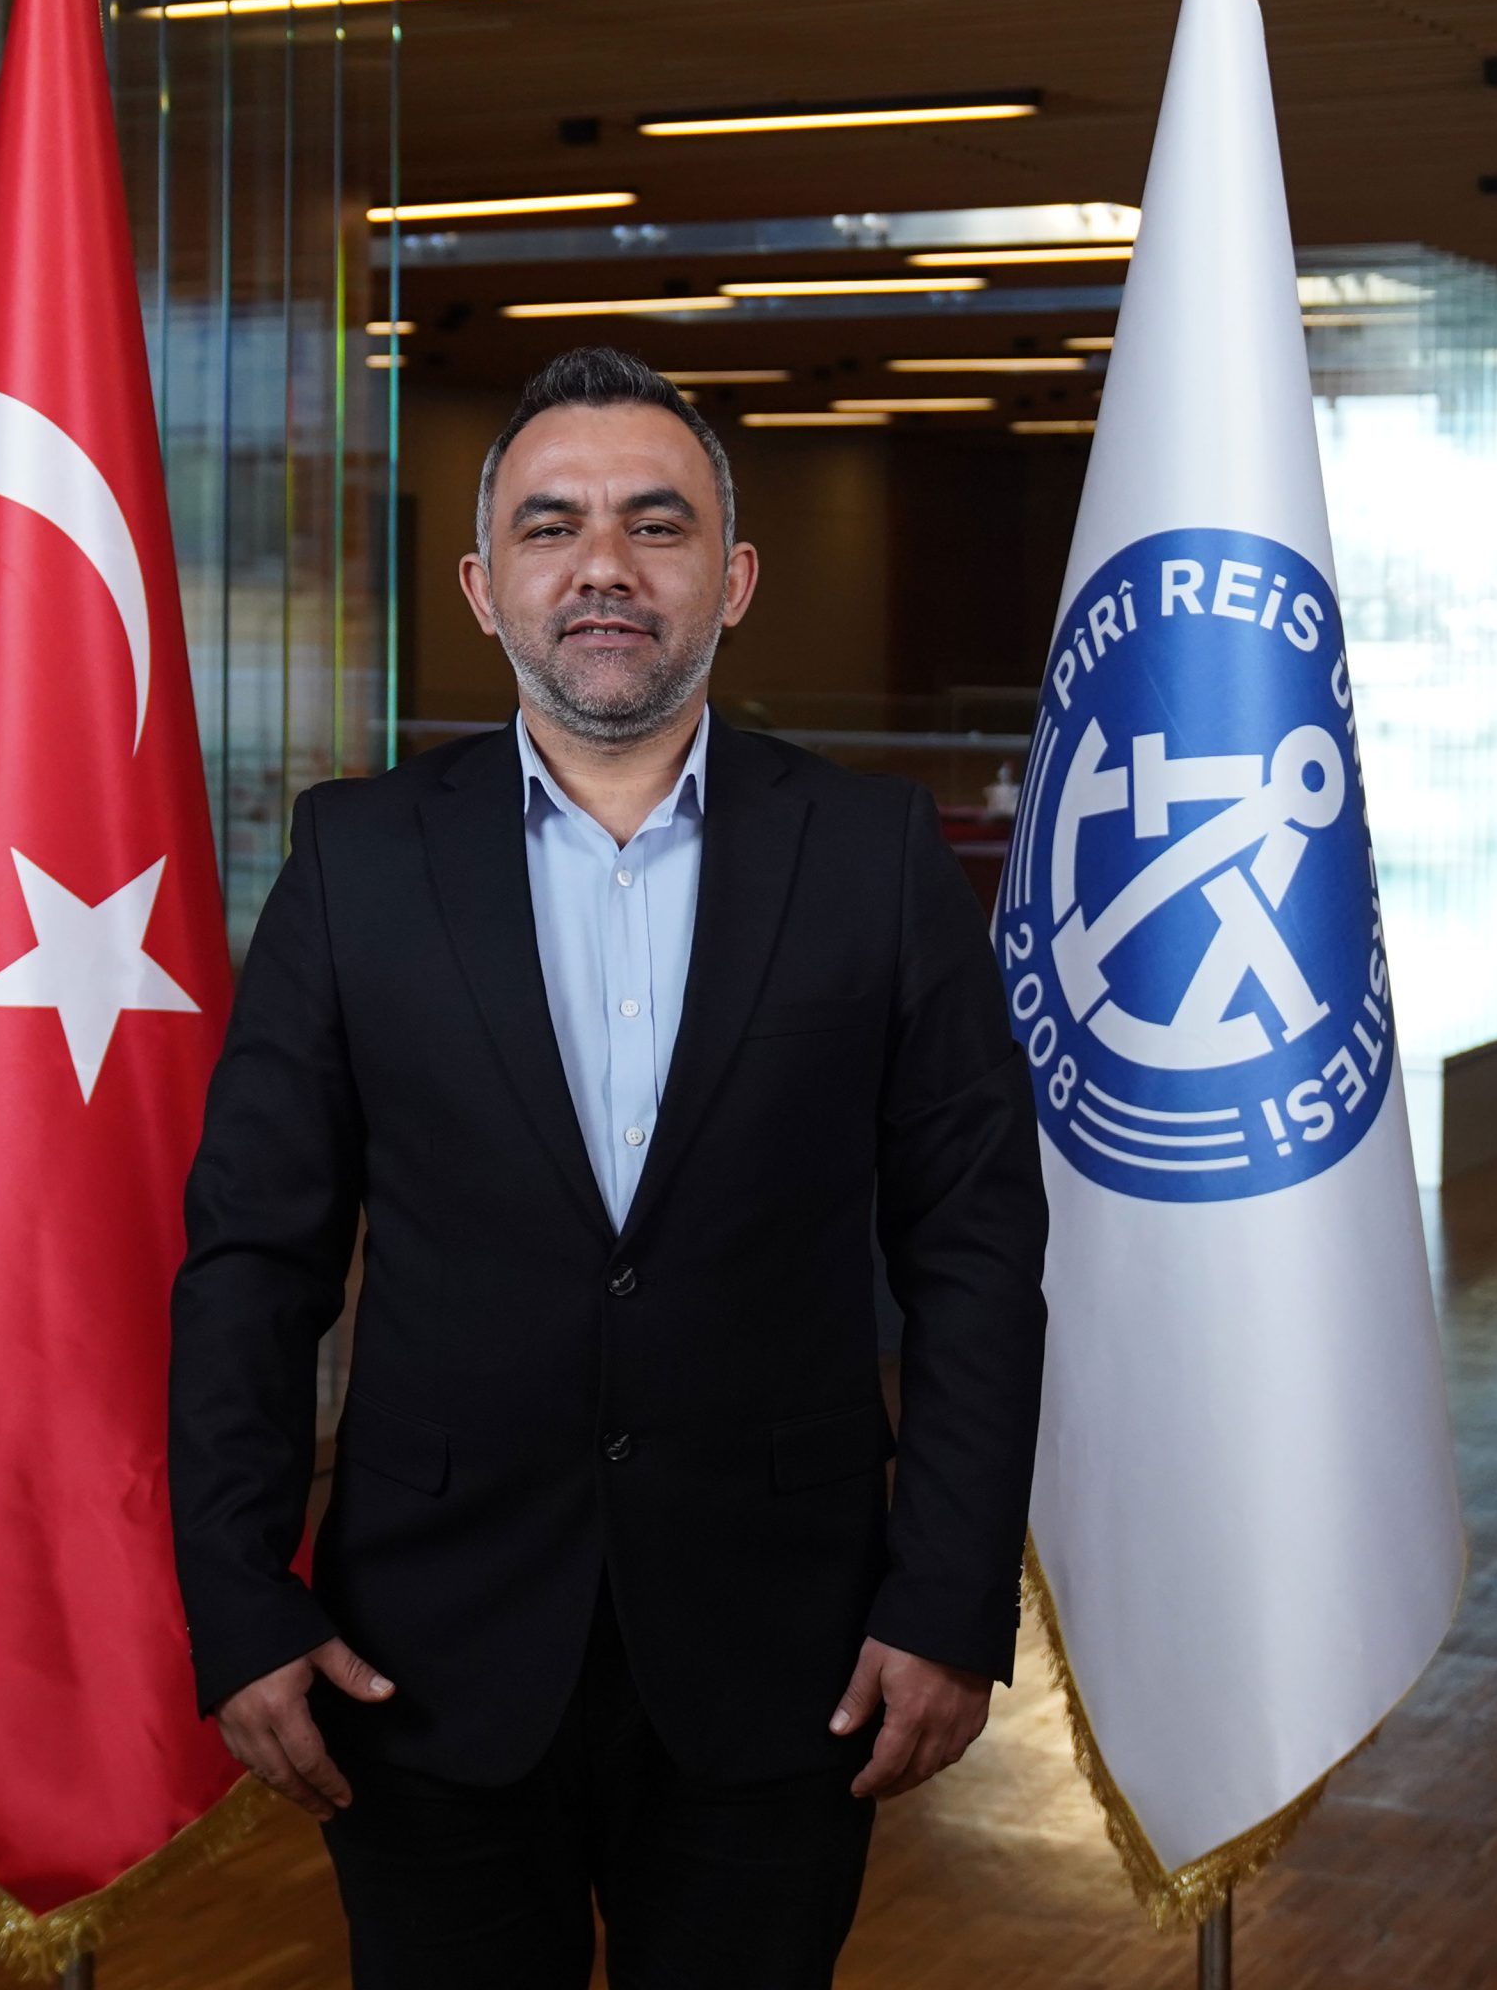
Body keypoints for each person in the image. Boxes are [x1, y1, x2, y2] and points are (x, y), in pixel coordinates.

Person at [168, 346, 1047, 1989]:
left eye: (656, 523)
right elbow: (253, 1261)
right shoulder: (357, 859)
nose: (604, 567)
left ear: (735, 578)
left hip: (788, 1656)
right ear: (483, 586)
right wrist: (237, 1596)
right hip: (421, 1658)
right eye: (550, 524)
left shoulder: (871, 856)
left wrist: (947, 1596)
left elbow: (977, 1251)